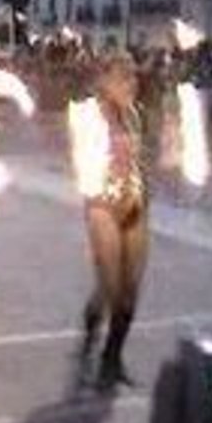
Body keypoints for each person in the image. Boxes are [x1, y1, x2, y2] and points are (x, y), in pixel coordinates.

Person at [78, 54, 149, 391]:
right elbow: (84, 163)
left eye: (132, 77)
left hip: (133, 204)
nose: (131, 83)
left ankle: (113, 356)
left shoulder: (134, 115)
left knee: (130, 289)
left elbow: (141, 159)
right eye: (122, 77)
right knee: (110, 286)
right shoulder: (87, 115)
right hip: (102, 205)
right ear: (104, 81)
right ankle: (92, 321)